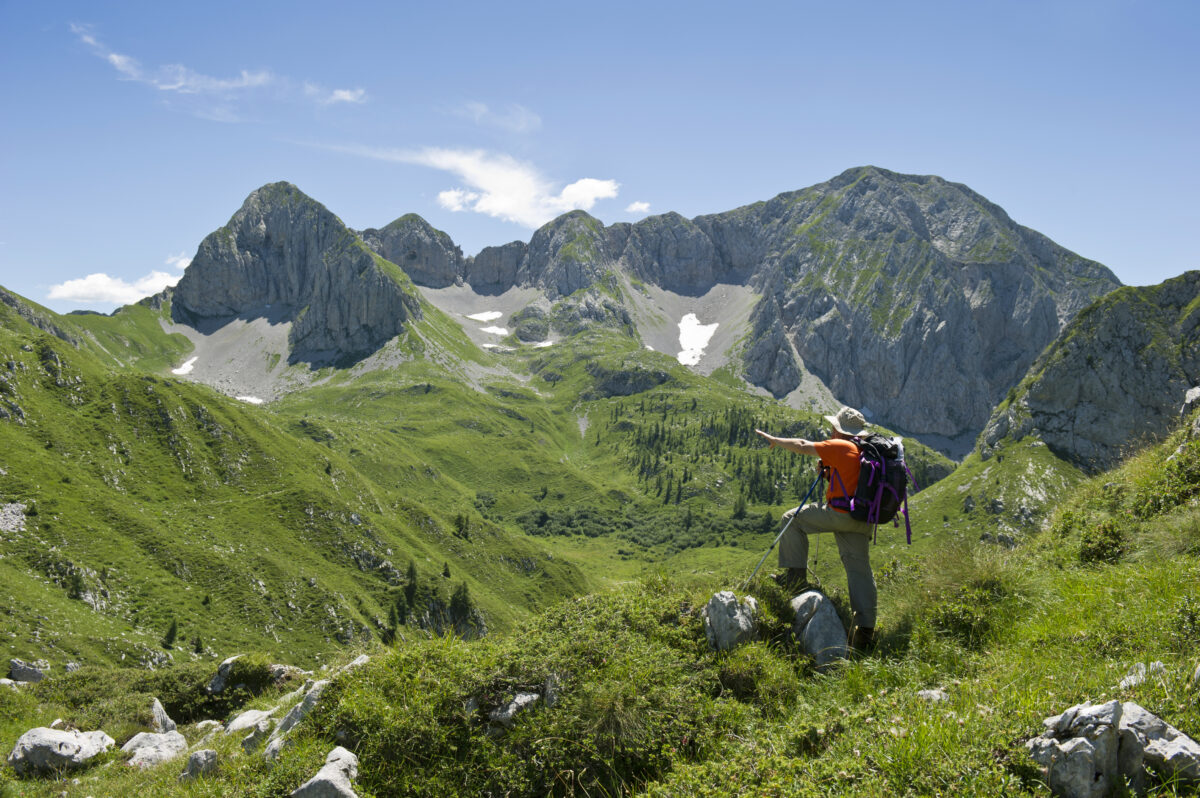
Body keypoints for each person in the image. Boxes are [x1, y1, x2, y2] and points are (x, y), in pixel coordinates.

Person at [754, 406, 877, 651]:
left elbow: (801, 444)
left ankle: (795, 581)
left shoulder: (841, 446)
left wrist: (775, 440)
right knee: (858, 568)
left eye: (834, 427)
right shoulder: (865, 450)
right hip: (863, 518)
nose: (831, 430)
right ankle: (865, 630)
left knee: (792, 519)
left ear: (839, 429)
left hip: (841, 514)